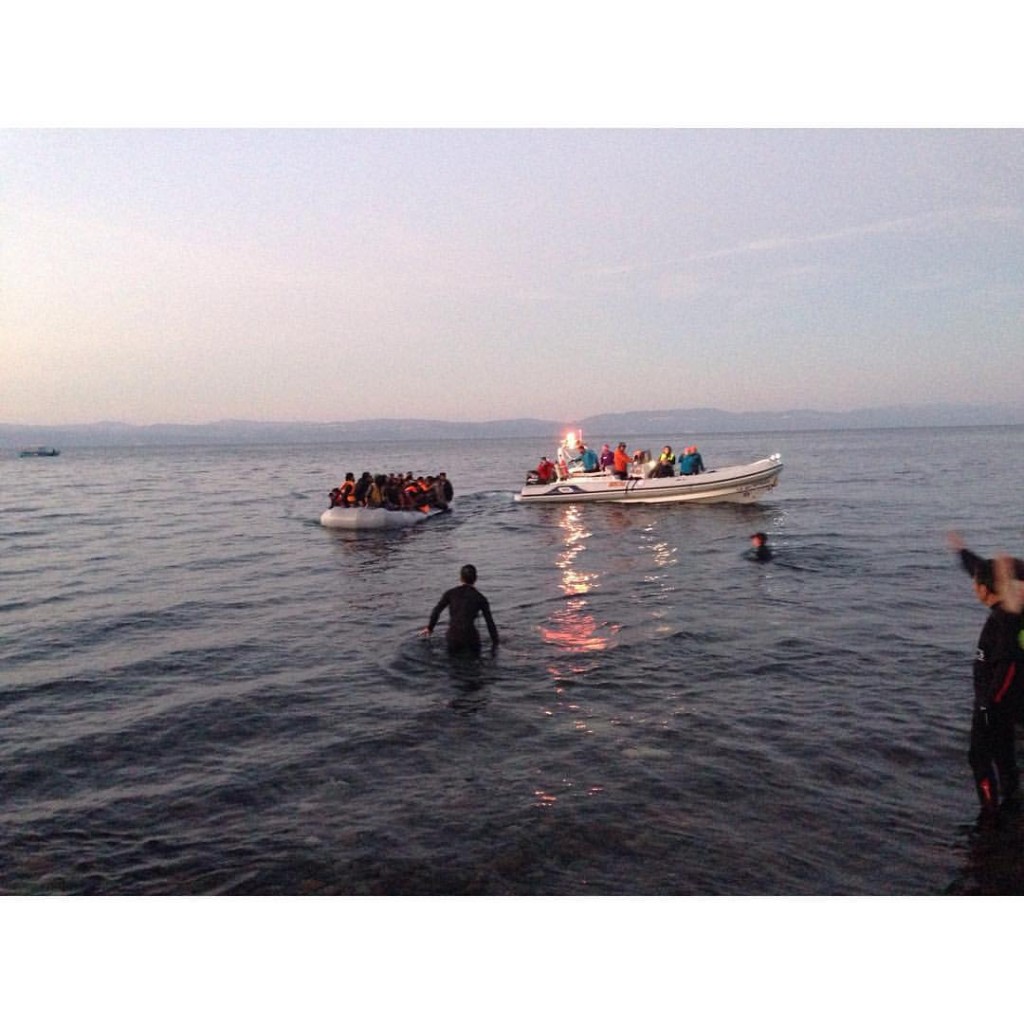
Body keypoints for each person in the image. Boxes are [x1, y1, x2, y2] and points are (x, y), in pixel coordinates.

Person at [962, 555, 1024, 818]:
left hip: (993, 706)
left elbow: (1007, 665)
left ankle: (989, 815)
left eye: (976, 584)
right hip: (1007, 705)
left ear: (986, 590)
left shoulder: (1002, 622)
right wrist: (962, 552)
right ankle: (1011, 806)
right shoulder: (1011, 615)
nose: (974, 588)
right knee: (1004, 757)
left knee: (980, 758)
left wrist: (988, 706)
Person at [423, 564, 500, 656]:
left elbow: (437, 611)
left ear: (460, 578)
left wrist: (430, 628)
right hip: (471, 638)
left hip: (453, 637)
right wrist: (496, 643)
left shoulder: (450, 593)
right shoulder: (480, 598)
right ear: (476, 579)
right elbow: (490, 623)